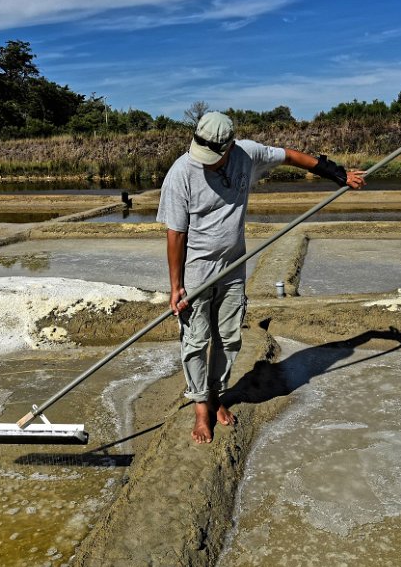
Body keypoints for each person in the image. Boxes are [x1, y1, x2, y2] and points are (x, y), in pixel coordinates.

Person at [157, 111, 366, 444]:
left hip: (233, 266)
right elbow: (176, 234)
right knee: (196, 341)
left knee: (228, 337)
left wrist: (337, 174)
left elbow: (291, 156)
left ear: (228, 147)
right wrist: (176, 286)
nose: (207, 162)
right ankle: (200, 408)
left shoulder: (247, 154)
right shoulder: (181, 173)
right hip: (197, 271)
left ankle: (217, 397)